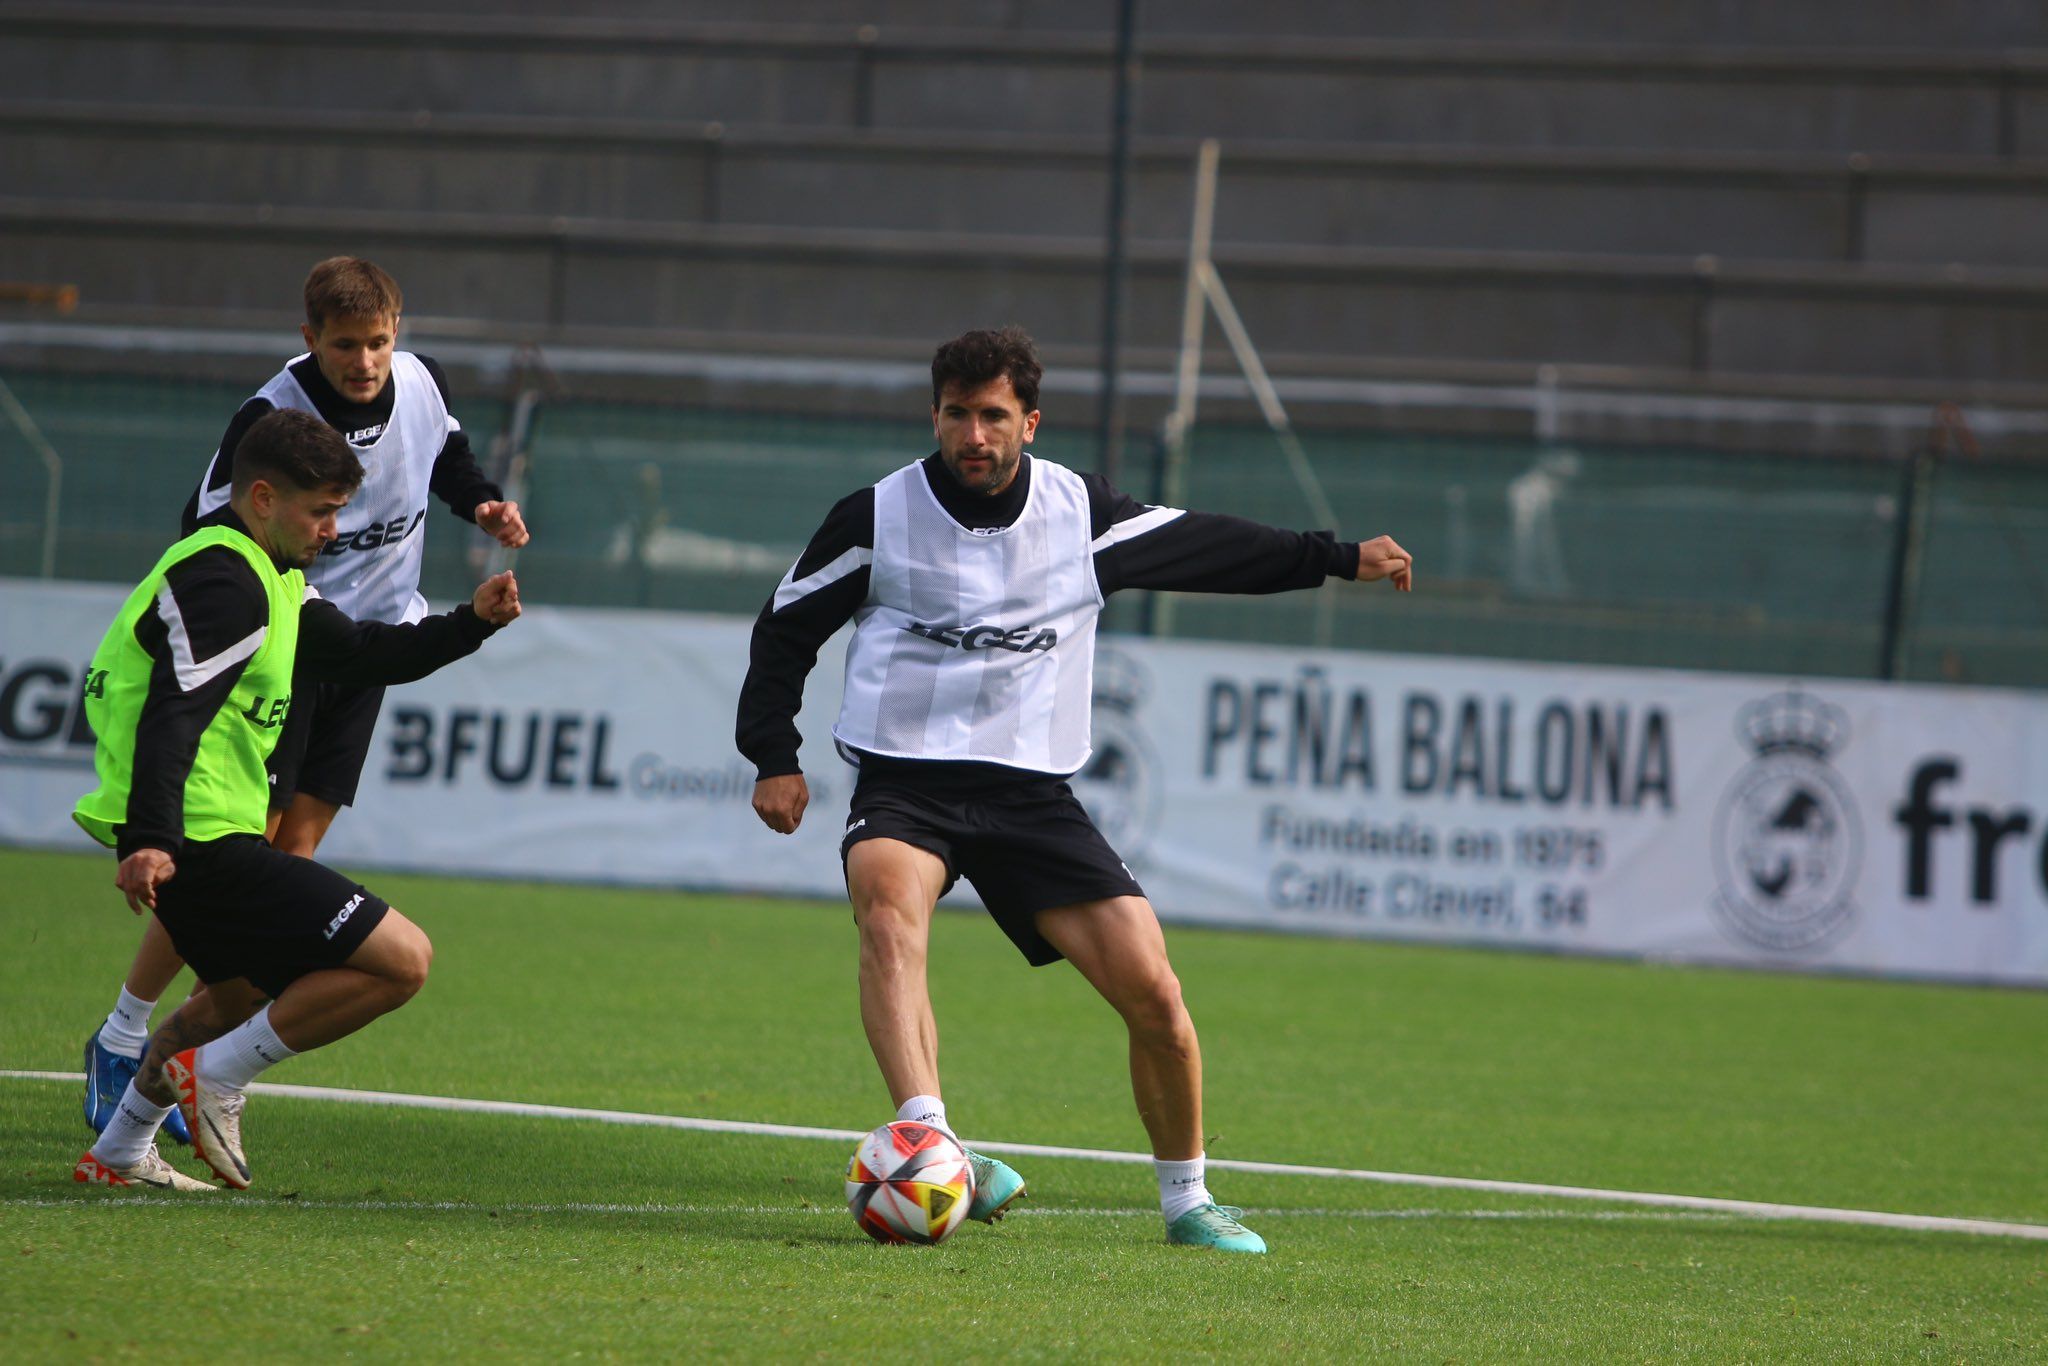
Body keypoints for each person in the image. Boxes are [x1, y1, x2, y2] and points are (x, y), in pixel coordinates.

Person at [736, 327, 1414, 1252]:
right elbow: (784, 631)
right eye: (956, 415)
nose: (973, 435)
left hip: (1030, 798)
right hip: (906, 782)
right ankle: (932, 1142)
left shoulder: (1077, 513)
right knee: (889, 914)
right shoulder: (876, 516)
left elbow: (1209, 548)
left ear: (1030, 421)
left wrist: (1336, 558)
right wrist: (773, 752)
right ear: (932, 415)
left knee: (1157, 996)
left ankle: (1188, 1202)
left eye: (993, 416)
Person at [81, 256, 530, 1149]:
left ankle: (192, 1064)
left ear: (399, 333)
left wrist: (479, 501)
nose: (365, 361)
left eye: (379, 341)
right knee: (235, 862)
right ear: (309, 341)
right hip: (292, 641)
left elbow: (446, 453)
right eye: (345, 345)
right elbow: (208, 529)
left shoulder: (418, 384)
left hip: (369, 645)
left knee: (291, 859)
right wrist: (279, 604)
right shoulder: (269, 418)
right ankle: (128, 1037)